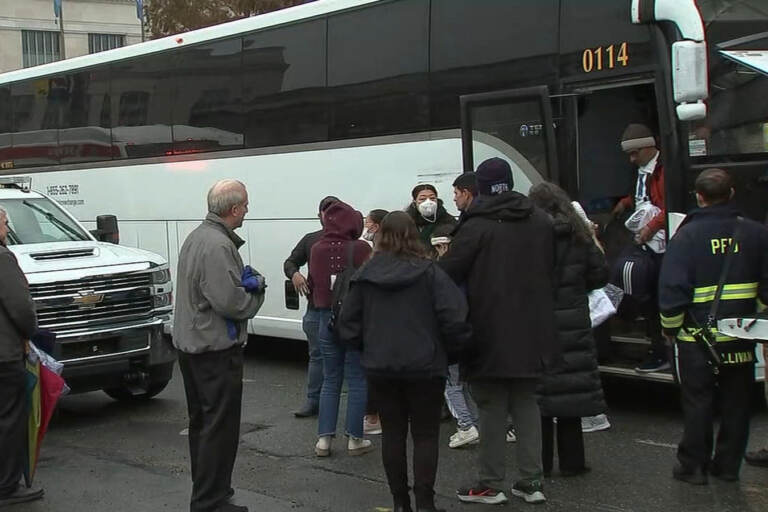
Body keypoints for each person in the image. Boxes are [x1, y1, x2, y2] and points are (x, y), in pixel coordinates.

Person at [439, 157, 557, 505]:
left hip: (488, 328)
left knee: (490, 406)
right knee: (527, 403)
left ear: (482, 188)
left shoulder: (476, 226)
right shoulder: (539, 220)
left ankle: (490, 483)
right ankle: (531, 481)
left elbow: (449, 274)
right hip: (534, 328)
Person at [339, 211, 472, 512]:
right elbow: (455, 317)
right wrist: (447, 352)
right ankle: (425, 502)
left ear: (381, 236)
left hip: (381, 366)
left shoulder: (365, 275)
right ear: (413, 235)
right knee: (425, 436)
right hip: (426, 365)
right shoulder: (430, 273)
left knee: (393, 435)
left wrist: (368, 347)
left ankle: (400, 502)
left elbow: (347, 325)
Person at [659, 168, 768, 484]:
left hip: (698, 339)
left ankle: (693, 467)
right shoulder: (757, 233)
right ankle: (728, 466)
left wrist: (670, 328)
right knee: (738, 403)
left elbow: (672, 290)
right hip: (741, 335)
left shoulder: (686, 236)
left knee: (698, 402)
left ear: (699, 197)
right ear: (732, 194)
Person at [173, 180, 266, 512]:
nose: (247, 210)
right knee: (219, 428)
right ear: (235, 208)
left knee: (203, 424)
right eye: (246, 205)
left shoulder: (198, 236)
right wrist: (257, 290)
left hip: (192, 346)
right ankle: (210, 500)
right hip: (213, 349)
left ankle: (209, 493)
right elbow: (231, 303)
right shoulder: (217, 244)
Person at [529, 183, 609, 477]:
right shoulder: (579, 236)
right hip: (574, 319)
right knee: (571, 392)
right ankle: (573, 461)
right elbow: (600, 274)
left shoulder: (528, 237)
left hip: (538, 320)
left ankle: (543, 462)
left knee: (541, 395)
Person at [309, 200, 373, 457]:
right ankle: (355, 439)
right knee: (357, 379)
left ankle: (324, 440)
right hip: (355, 322)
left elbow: (315, 285)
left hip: (326, 319)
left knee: (330, 379)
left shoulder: (316, 248)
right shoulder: (361, 248)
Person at [611, 123, 669, 373]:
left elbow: (667, 206)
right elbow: (641, 197)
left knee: (651, 295)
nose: (632, 159)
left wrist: (650, 229)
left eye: (635, 153)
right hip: (645, 240)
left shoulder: (664, 172)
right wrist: (625, 203)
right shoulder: (647, 170)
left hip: (658, 243)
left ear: (648, 147)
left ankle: (659, 348)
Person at [0, 206, 43, 507]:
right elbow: (21, 307)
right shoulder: (3, 259)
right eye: (4, 221)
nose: (7, 225)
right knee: (9, 420)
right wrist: (30, 332)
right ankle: (7, 486)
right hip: (4, 355)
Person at [284, 196, 339, 418]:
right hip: (316, 308)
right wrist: (295, 274)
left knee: (350, 359)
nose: (329, 216)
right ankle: (312, 401)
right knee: (316, 355)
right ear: (319, 216)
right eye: (326, 212)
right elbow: (290, 262)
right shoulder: (311, 239)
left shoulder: (351, 239)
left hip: (343, 308)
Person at [362, 208, 389, 435]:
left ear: (377, 226)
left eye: (368, 223)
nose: (366, 227)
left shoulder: (377, 256)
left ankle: (373, 417)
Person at [406, 184, 456, 255]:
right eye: (422, 199)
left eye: (432, 198)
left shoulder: (448, 220)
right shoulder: (407, 221)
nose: (428, 202)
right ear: (414, 202)